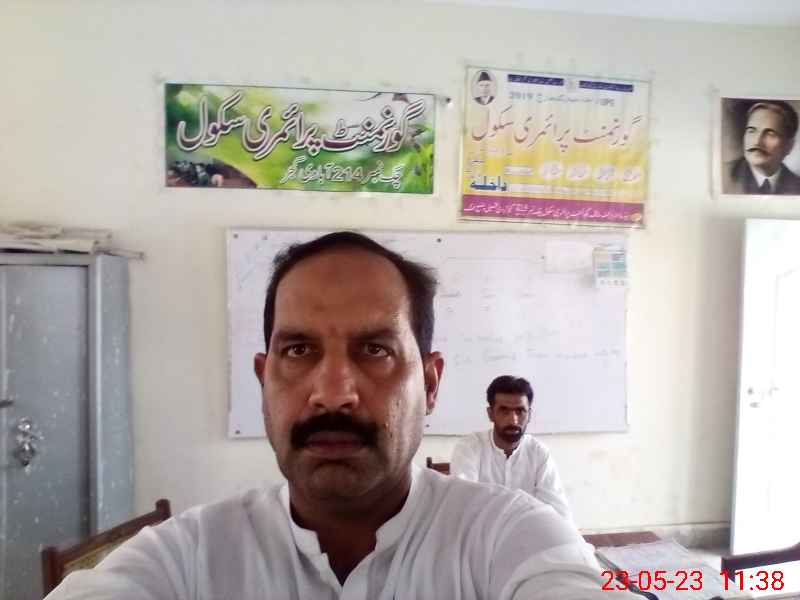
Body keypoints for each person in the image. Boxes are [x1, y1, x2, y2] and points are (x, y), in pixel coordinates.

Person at [46, 232, 635, 599]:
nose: (332, 394)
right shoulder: (191, 557)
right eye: (298, 350)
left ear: (430, 384)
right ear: (264, 379)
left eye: (375, 350)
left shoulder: (507, 538)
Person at [451, 375, 572, 521]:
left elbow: (559, 512)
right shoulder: (469, 447)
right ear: (490, 414)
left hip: (527, 531)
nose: (513, 420)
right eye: (504, 410)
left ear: (529, 415)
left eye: (520, 411)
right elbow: (465, 504)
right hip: (482, 531)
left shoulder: (538, 453)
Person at [723, 100, 800, 195]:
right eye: (751, 131)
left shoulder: (797, 186)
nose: (757, 141)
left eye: (770, 134)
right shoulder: (723, 176)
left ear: (789, 146)